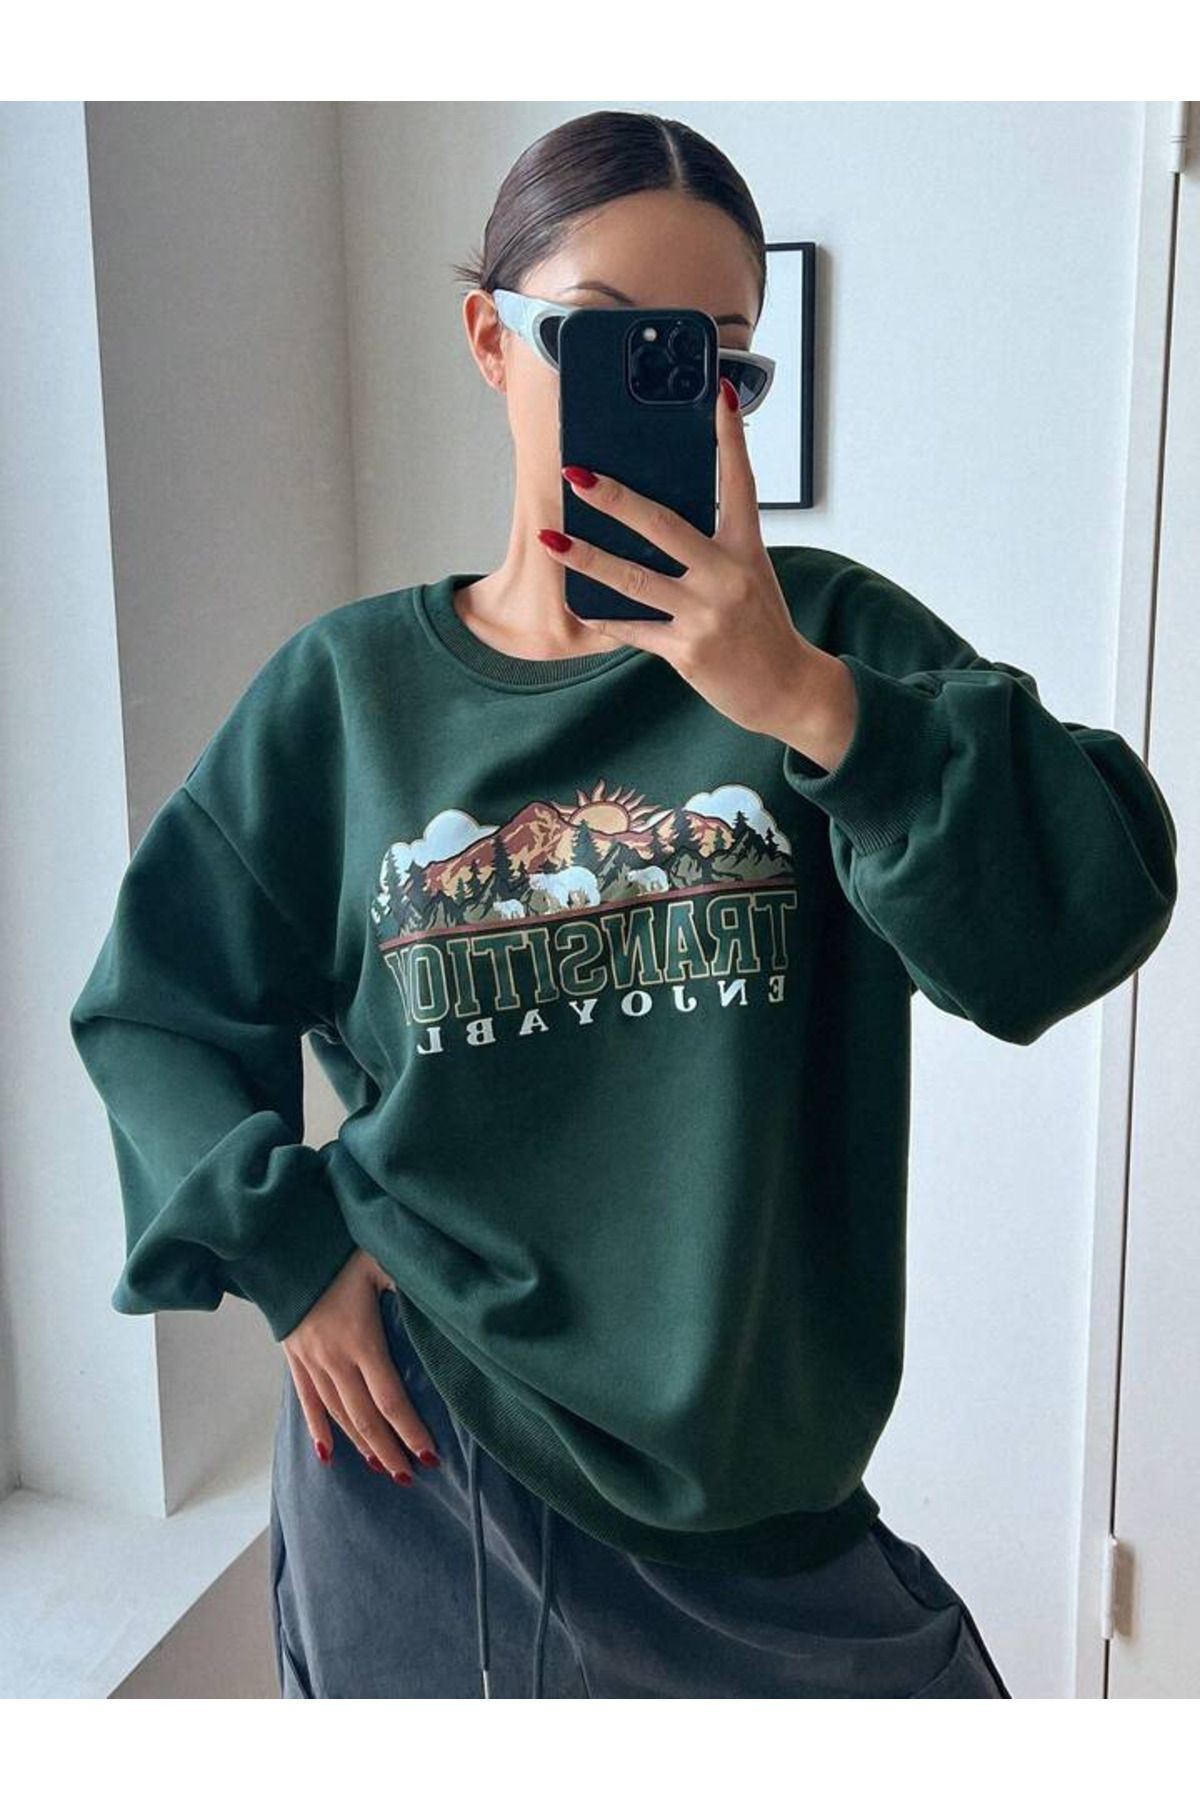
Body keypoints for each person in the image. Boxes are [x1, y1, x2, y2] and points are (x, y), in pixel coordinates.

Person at [70, 109, 1177, 1700]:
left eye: (718, 359)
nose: (679, 392)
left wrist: (812, 704)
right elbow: (155, 1005)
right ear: (490, 341)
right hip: (427, 1466)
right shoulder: (349, 697)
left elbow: (1078, 918)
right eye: (608, 339)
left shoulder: (831, 643)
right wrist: (289, 1251)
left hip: (760, 1499)